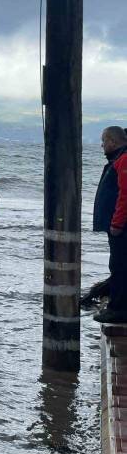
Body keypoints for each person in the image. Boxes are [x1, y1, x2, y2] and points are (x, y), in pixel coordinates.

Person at [93, 126, 127, 323]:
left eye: (104, 141)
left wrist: (117, 223)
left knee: (119, 265)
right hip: (118, 224)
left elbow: (124, 195)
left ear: (113, 142)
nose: (102, 145)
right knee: (118, 264)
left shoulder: (122, 160)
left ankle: (118, 308)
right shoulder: (118, 159)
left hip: (120, 227)